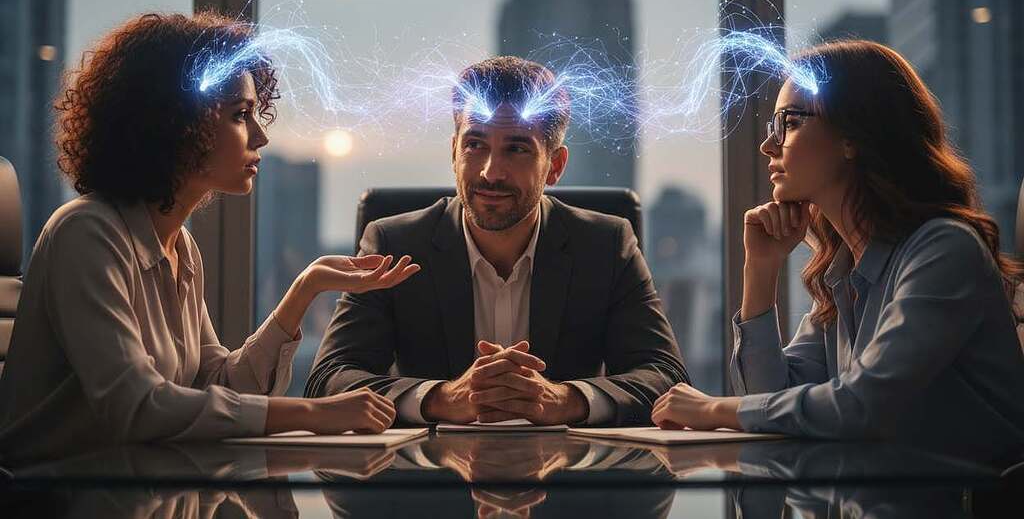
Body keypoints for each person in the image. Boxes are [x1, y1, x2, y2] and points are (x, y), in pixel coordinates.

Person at [0, 12, 419, 461]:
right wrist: (311, 413)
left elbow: (218, 384)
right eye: (240, 115)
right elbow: (137, 408)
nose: (259, 135)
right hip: (54, 496)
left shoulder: (179, 245)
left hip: (141, 489)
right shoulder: (85, 234)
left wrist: (305, 289)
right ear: (176, 123)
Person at [651, 40, 1024, 459]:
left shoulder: (945, 250)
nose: (767, 147)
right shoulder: (843, 271)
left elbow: (861, 405)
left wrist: (714, 408)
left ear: (852, 137)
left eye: (788, 123)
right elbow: (772, 397)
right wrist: (761, 268)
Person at [306, 56, 688, 426]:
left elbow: (667, 378)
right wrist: (441, 398)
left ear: (554, 165)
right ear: (453, 152)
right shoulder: (395, 242)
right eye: (475, 145)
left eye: (517, 148)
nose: (491, 172)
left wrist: (565, 400)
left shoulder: (606, 245)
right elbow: (329, 382)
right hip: (430, 480)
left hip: (567, 480)